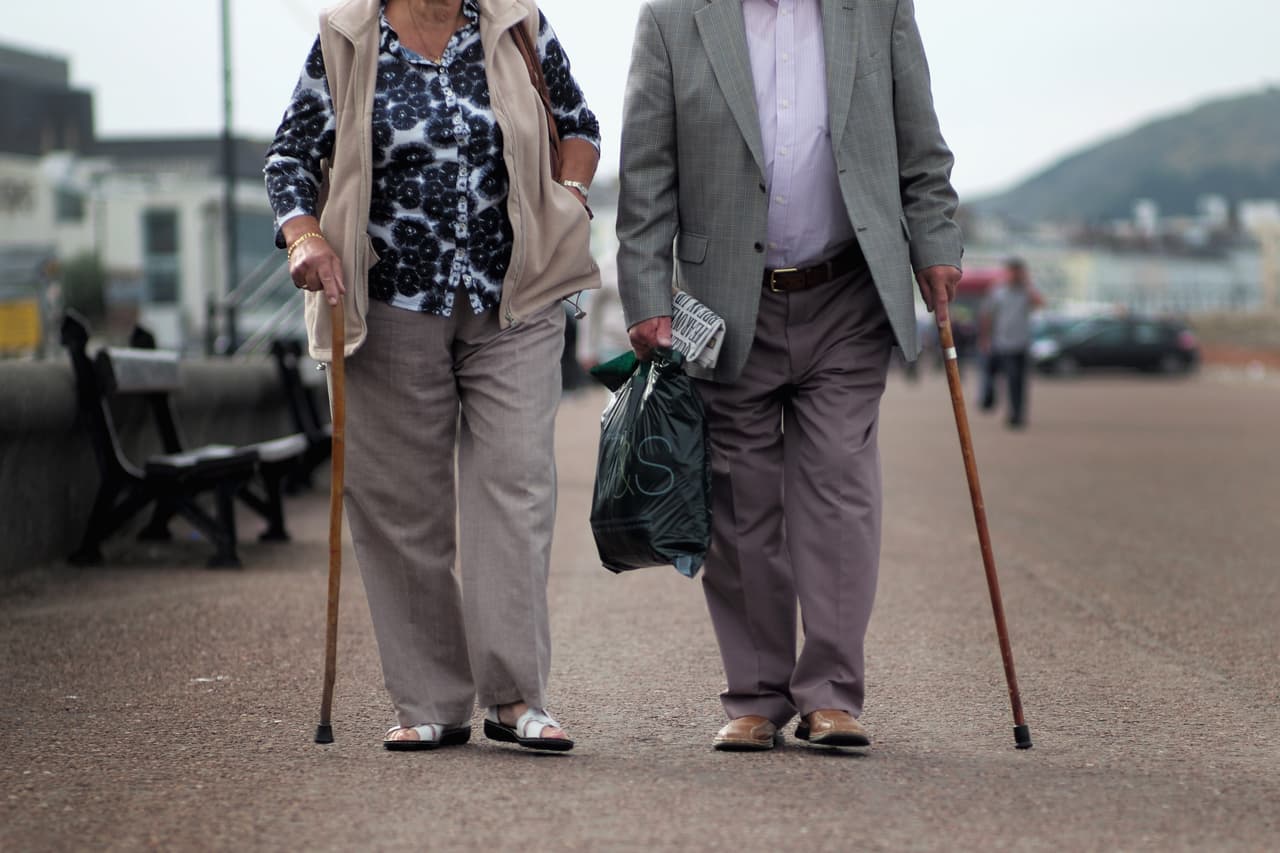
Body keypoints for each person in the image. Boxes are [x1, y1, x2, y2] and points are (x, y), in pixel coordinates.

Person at [617, 0, 962, 751]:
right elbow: (645, 175)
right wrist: (644, 295)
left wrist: (937, 243)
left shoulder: (878, 10)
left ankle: (832, 693)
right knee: (738, 500)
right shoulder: (674, 18)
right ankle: (758, 694)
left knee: (839, 485)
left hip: (847, 293)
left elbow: (921, 150)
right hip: (725, 303)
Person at [264, 0, 600, 752]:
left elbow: (578, 126)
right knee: (401, 506)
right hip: (386, 302)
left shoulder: (516, 24)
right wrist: (305, 237)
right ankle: (430, 699)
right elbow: (289, 158)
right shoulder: (348, 38)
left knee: (516, 486)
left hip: (514, 298)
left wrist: (567, 204)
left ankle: (516, 697)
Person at [979, 258, 1044, 429]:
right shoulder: (997, 292)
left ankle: (1016, 415)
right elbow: (987, 316)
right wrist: (985, 338)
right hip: (1000, 342)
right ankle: (987, 398)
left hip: (1020, 344)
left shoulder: (1027, 291)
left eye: (1019, 272)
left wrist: (1028, 284)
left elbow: (1039, 304)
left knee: (1017, 381)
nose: (1015, 276)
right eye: (1012, 272)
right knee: (989, 373)